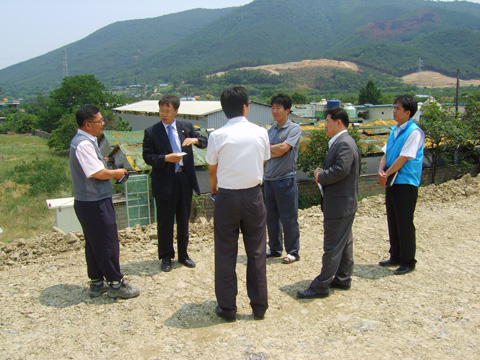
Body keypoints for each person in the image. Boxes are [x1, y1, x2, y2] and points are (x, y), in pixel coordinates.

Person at [206, 86, 270, 322]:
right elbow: (262, 162)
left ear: (224, 110)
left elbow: (212, 170)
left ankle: (227, 308)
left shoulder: (217, 135)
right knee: (256, 252)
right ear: (246, 107)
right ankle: (259, 306)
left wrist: (215, 189)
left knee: (225, 253)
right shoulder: (261, 132)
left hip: (226, 198)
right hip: (254, 196)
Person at [69, 105, 140, 299]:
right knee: (107, 242)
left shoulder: (84, 141)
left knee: (94, 242)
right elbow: (97, 173)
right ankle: (116, 284)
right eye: (99, 121)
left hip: (87, 201)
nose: (103, 124)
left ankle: (97, 282)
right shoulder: (84, 144)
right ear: (87, 124)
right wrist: (116, 173)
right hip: (95, 202)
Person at [297, 107, 360, 299]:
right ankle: (342, 277)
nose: (324, 125)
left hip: (340, 205)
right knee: (345, 242)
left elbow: (341, 170)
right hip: (343, 204)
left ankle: (321, 285)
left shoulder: (344, 144)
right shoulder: (341, 142)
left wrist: (320, 176)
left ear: (338, 122)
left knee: (332, 246)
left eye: (327, 121)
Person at [143, 95, 207, 272]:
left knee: (183, 219)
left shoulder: (186, 128)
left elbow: (205, 140)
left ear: (176, 111)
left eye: (167, 111)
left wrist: (195, 140)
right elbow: (147, 157)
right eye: (161, 111)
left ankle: (183, 255)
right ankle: (165, 256)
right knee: (165, 221)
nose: (164, 114)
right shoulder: (151, 132)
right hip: (164, 181)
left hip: (184, 179)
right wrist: (166, 158)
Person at [378, 95, 424, 275]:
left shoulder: (414, 132)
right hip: (392, 181)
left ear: (408, 112)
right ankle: (395, 255)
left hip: (406, 182)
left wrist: (386, 174)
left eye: (398, 108)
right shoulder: (394, 130)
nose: (394, 111)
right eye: (394, 107)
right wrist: (381, 170)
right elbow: (386, 154)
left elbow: (404, 158)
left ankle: (408, 261)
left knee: (404, 222)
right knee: (393, 220)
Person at [264, 94, 301, 264]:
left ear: (287, 110)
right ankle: (275, 248)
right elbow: (268, 152)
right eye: (273, 107)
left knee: (288, 218)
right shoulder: (269, 131)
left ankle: (293, 251)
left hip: (286, 180)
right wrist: (275, 149)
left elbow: (283, 149)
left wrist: (271, 150)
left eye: (278, 107)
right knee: (271, 217)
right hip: (269, 180)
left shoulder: (293, 129)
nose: (275, 111)